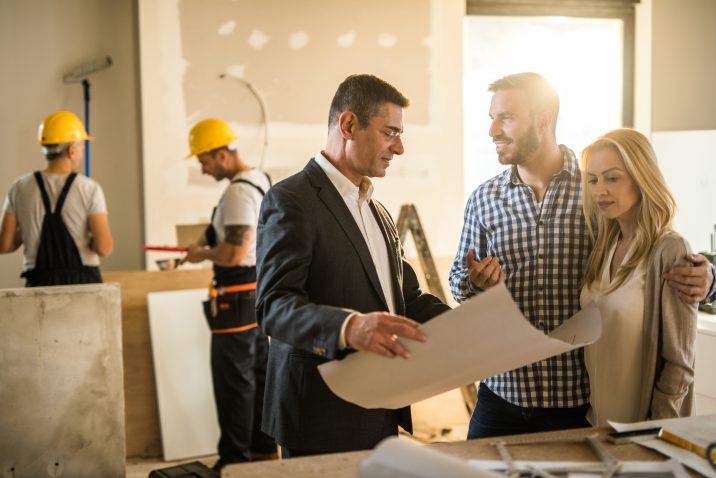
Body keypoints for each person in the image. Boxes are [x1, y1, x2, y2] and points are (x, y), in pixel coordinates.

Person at [448, 72, 715, 439]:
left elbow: (660, 249)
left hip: (577, 403)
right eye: (491, 118)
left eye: (506, 117)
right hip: (502, 395)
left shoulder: (596, 191)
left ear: (543, 120)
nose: (492, 130)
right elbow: (459, 286)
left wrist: (711, 277)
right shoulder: (483, 200)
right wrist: (474, 285)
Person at [255, 74, 450, 458]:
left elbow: (405, 300)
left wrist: (470, 325)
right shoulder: (290, 200)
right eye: (390, 132)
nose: (400, 147)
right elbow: (273, 307)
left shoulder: (377, 211)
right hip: (318, 414)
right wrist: (350, 326)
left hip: (380, 407)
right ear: (348, 125)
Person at [580, 128, 697, 425]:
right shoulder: (605, 246)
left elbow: (679, 364)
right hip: (596, 423)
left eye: (613, 178)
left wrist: (655, 430)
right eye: (593, 179)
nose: (599, 191)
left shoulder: (670, 250)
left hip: (641, 429)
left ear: (641, 177)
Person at [183, 118, 275, 470]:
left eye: (204, 161)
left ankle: (234, 463)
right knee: (257, 374)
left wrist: (200, 253)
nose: (203, 169)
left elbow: (236, 253)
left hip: (235, 297)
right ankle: (263, 457)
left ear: (222, 155)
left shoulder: (237, 192)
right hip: (256, 293)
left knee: (233, 383)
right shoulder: (261, 180)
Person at [0, 111, 113, 286]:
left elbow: (4, 245)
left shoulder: (19, 188)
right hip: (83, 284)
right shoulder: (89, 188)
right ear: (72, 150)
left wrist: (29, 228)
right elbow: (104, 248)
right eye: (82, 147)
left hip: (39, 282)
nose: (82, 152)